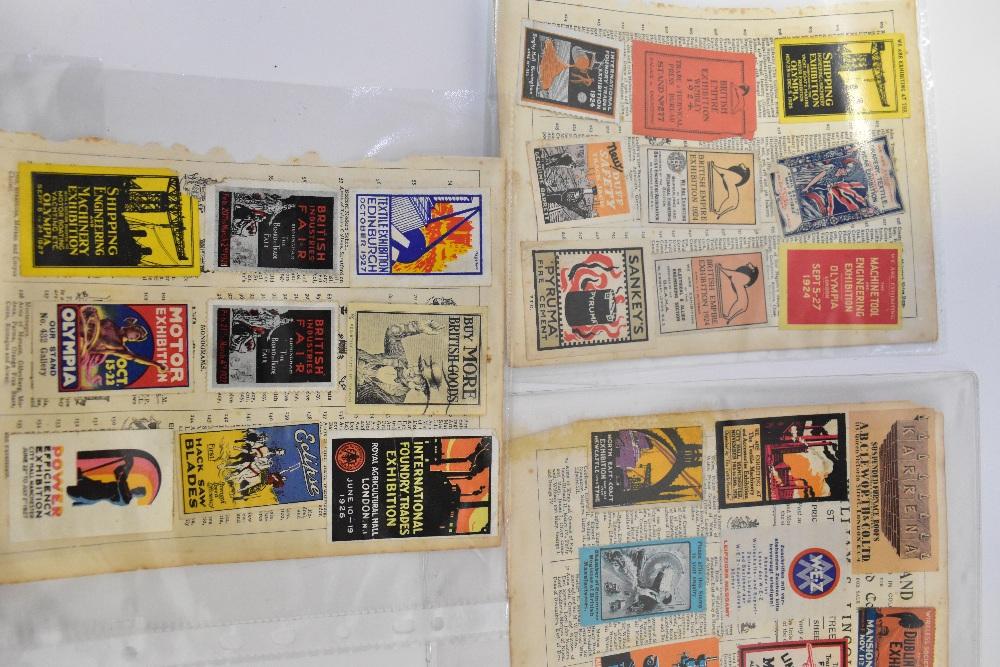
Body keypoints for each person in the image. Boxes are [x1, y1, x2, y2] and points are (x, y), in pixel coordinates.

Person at [355, 320, 446, 408]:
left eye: (420, 376)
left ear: (421, 387)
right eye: (419, 367)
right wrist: (420, 327)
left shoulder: (395, 400)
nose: (414, 371)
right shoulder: (398, 357)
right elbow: (392, 332)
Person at [67, 454, 147, 506]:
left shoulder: (126, 501)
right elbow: (117, 471)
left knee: (67, 489)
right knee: (71, 475)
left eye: (138, 491)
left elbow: (120, 483)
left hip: (90, 495)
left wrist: (129, 464)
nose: (136, 489)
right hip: (92, 485)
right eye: (138, 488)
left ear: (138, 496)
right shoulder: (125, 486)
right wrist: (126, 464)